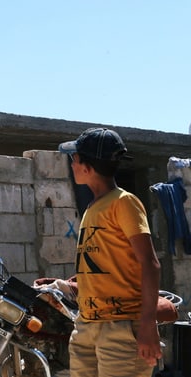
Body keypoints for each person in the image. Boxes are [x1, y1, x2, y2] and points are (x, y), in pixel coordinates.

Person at [58, 128, 162, 377]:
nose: (71, 163)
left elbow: (149, 263)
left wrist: (148, 325)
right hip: (87, 326)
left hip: (122, 329)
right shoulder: (93, 207)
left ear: (88, 166)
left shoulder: (123, 202)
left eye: (75, 157)